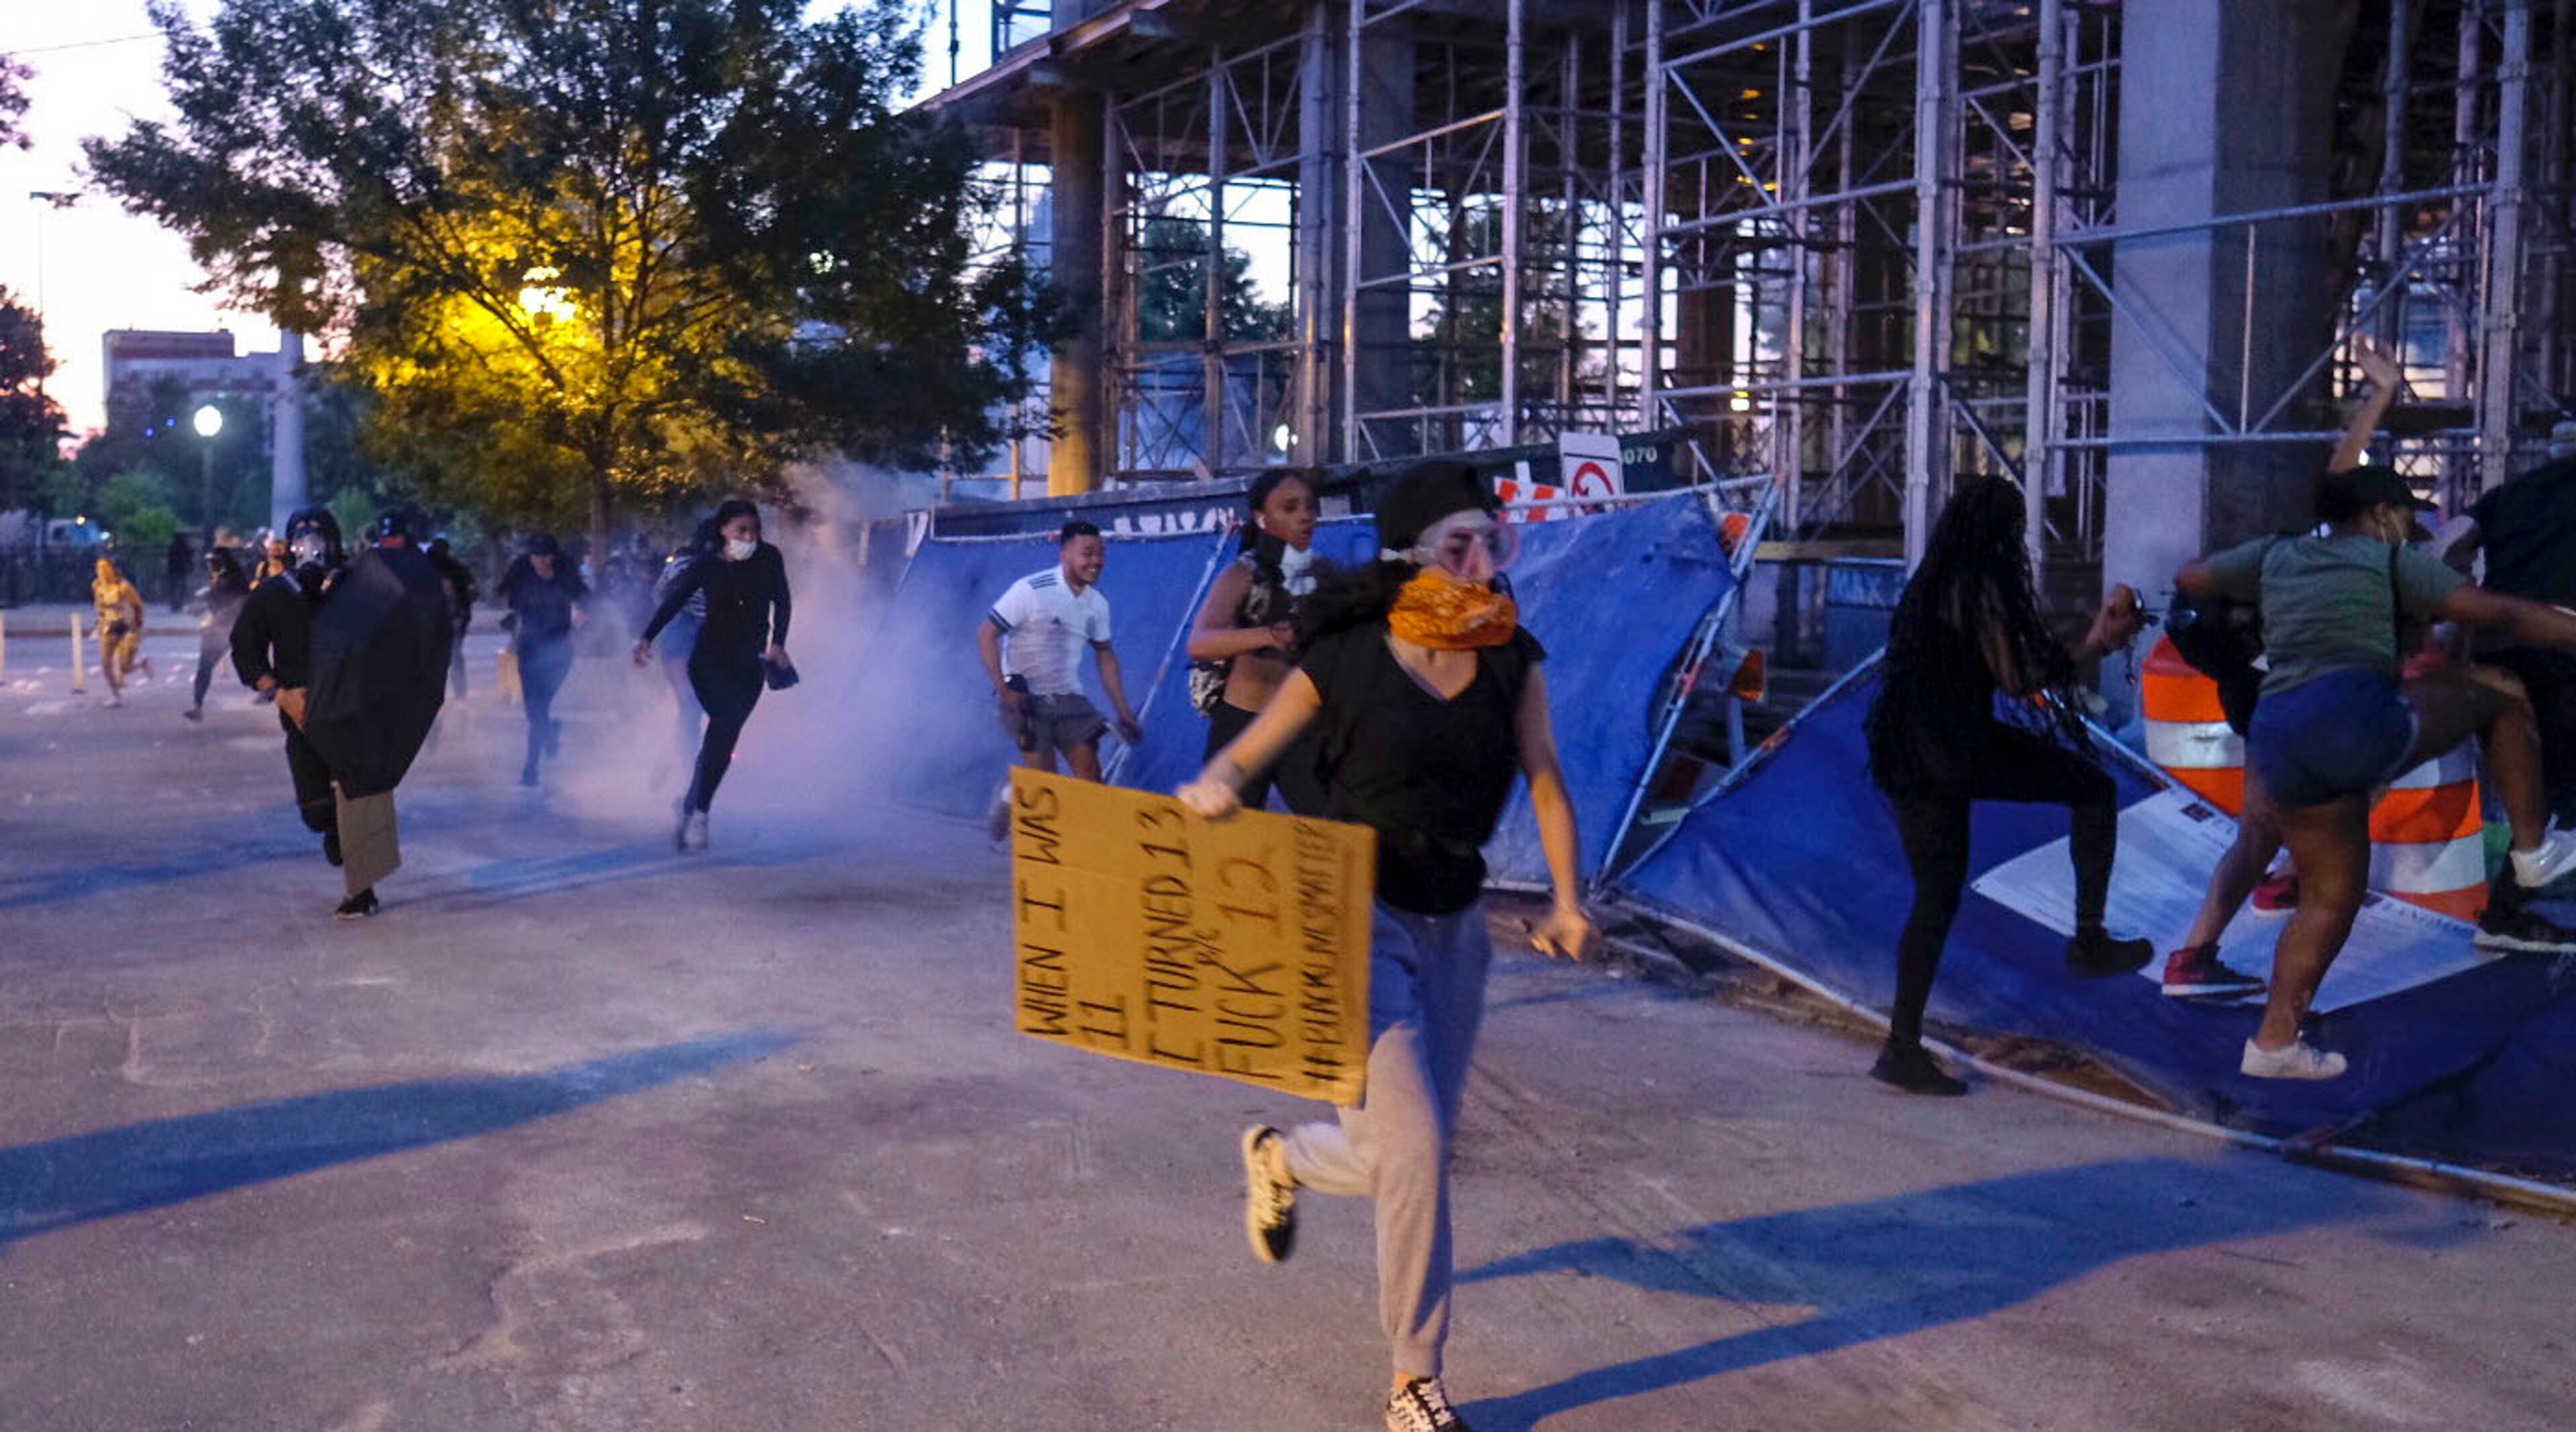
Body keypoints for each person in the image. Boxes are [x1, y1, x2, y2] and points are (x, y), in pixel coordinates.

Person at [1176, 461, 1591, 1432]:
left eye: (1495, 540)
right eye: (1460, 544)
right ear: (1414, 555)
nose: (1482, 562)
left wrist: (1569, 899)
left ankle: (1281, 1155)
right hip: (1352, 916)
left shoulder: (1510, 656)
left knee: (1410, 1156)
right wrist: (1220, 784)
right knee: (1414, 1146)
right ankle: (1415, 1377)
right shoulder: (1352, 653)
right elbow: (1253, 744)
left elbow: (1546, 780)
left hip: (1456, 922)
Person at [2177, 465, 2576, 1076]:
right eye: (2407, 518)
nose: (2410, 529)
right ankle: (2533, 852)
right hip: (2350, 721)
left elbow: (2190, 577)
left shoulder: (2275, 556)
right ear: (2385, 513)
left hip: (2278, 733)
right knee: (2500, 687)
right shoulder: (2390, 562)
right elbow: (2497, 615)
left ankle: (2275, 1043)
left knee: (2327, 899)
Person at [1864, 477, 2153, 1097]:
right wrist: (2098, 641)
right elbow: (2020, 675)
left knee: (1935, 896)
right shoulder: (1980, 584)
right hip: (1957, 747)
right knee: (2093, 789)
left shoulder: (1928, 585)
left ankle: (1902, 1046)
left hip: (1905, 752)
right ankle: (2090, 939)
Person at [2159, 339, 2412, 997]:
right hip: (2280, 696)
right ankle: (2194, 954)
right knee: (2269, 823)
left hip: (2268, 693)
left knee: (2305, 798)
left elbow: (2342, 468)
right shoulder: (2354, 554)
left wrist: (2380, 395)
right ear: (2382, 516)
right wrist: (2378, 395)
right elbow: (2343, 468)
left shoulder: (2329, 546)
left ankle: (2288, 876)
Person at [2441, 417, 2576, 920]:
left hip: (2498, 650)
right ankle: (2510, 904)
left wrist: (2454, 612)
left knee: (2535, 790)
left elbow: (2450, 544)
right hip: (2565, 647)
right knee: (2559, 791)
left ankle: (2506, 910)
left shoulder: (2508, 496)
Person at [634, 498, 793, 852]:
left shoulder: (770, 559)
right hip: (709, 662)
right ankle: (701, 813)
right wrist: (646, 637)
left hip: (750, 663)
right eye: (742, 530)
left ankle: (693, 804)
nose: (750, 537)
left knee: (722, 741)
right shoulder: (707, 565)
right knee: (722, 725)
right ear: (723, 531)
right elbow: (673, 601)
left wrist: (779, 643)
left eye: (755, 530)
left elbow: (783, 600)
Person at [977, 520, 1146, 838]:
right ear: (1065, 553)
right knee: (1046, 787)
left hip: (1069, 701)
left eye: (1101, 554)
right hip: (1025, 700)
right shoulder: (1030, 590)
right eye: (1088, 553)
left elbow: (1105, 655)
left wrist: (1124, 712)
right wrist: (1003, 691)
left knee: (1091, 778)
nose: (1096, 561)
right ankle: (1012, 794)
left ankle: (1083, 850)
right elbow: (986, 635)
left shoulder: (1097, 604)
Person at [1186, 470, 1332, 814]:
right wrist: (1269, 636)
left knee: (1328, 830)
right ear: (1262, 518)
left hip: (1299, 724)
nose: (1306, 516)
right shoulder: (1243, 575)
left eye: (1311, 507)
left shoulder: (1324, 575)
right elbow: (1199, 643)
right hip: (1243, 722)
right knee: (1228, 834)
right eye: (1291, 507)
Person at [232, 508, 350, 897]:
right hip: (300, 714)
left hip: (351, 711)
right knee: (317, 810)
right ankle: (333, 828)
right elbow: (245, 648)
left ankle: (361, 885)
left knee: (359, 804)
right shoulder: (273, 595)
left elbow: (390, 644)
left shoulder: (356, 588)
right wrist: (279, 693)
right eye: (302, 538)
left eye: (319, 537)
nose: (311, 547)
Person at [495, 532, 590, 787]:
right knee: (534, 711)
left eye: (547, 556)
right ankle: (548, 735)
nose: (542, 561)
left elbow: (586, 599)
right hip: (529, 648)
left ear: (554, 557)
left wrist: (581, 613)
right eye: (537, 556)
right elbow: (502, 593)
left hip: (560, 650)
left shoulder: (566, 576)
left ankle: (531, 766)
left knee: (541, 708)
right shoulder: (522, 574)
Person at [650, 518, 718, 760]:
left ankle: (676, 753)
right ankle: (689, 767)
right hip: (679, 639)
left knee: (700, 706)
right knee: (690, 702)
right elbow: (661, 596)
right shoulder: (683, 567)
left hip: (708, 639)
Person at [183, 547, 252, 722]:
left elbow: (241, 602)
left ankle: (271, 689)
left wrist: (220, 617)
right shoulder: (217, 577)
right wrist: (199, 608)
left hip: (233, 628)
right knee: (204, 667)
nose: (210, 566)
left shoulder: (235, 578)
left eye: (213, 562)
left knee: (250, 665)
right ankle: (198, 705)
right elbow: (214, 599)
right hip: (216, 629)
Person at [91, 556, 152, 707]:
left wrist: (137, 624)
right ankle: (115, 695)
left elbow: (138, 605)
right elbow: (100, 608)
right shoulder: (97, 586)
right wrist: (99, 624)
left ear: (112, 570)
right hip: (109, 627)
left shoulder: (123, 586)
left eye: (105, 568)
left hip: (126, 628)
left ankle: (142, 664)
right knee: (106, 663)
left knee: (125, 667)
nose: (102, 572)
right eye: (99, 569)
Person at [423, 536, 479, 700]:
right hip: (450, 618)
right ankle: (459, 692)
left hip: (447, 619)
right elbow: (473, 592)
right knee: (453, 656)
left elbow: (472, 592)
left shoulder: (428, 568)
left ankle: (443, 692)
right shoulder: (457, 568)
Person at [164, 531, 193, 614]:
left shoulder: (174, 547)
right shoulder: (184, 547)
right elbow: (189, 559)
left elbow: (170, 560)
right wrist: (190, 567)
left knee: (175, 588)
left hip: (175, 570)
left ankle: (176, 604)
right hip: (180, 570)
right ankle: (178, 604)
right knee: (180, 588)